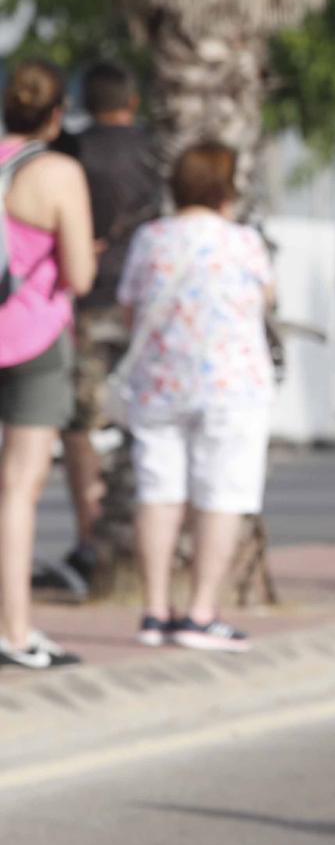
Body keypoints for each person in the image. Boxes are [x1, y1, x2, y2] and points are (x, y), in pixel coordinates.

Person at [116, 142, 276, 651]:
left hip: (159, 384)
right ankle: (201, 613)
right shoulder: (244, 242)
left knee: (158, 492)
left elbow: (129, 309)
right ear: (225, 189)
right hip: (231, 388)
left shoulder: (150, 239)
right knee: (221, 495)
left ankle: (154, 611)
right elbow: (266, 301)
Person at [38, 60, 160, 598]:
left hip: (84, 301)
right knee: (147, 418)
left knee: (81, 424)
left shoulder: (69, 149)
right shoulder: (156, 150)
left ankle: (93, 538)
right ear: (132, 102)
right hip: (144, 305)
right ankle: (139, 531)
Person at [0, 60, 95, 669]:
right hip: (33, 339)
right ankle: (14, 631)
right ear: (56, 115)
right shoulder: (59, 172)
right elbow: (81, 273)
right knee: (19, 489)